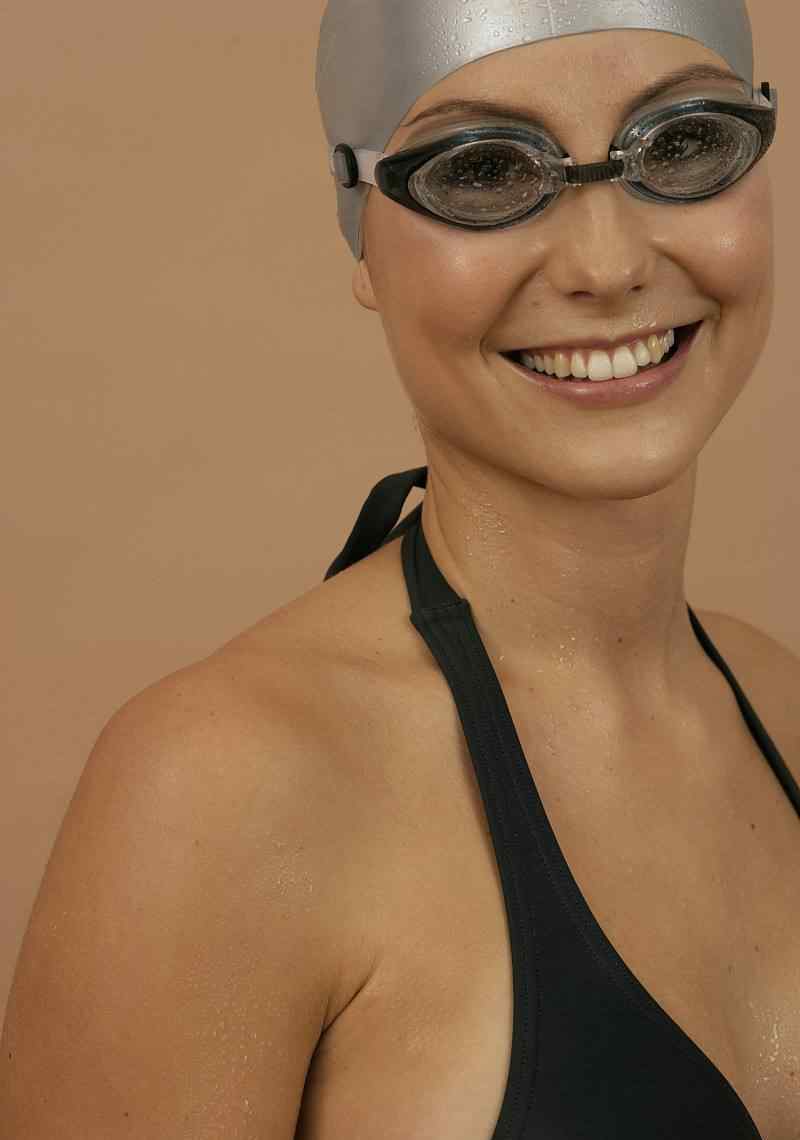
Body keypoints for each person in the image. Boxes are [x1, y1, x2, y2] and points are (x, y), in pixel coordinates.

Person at [1, 4, 798, 1139]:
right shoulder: (223, 795)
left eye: (683, 145)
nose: (608, 263)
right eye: (483, 171)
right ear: (363, 236)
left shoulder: (782, 702)